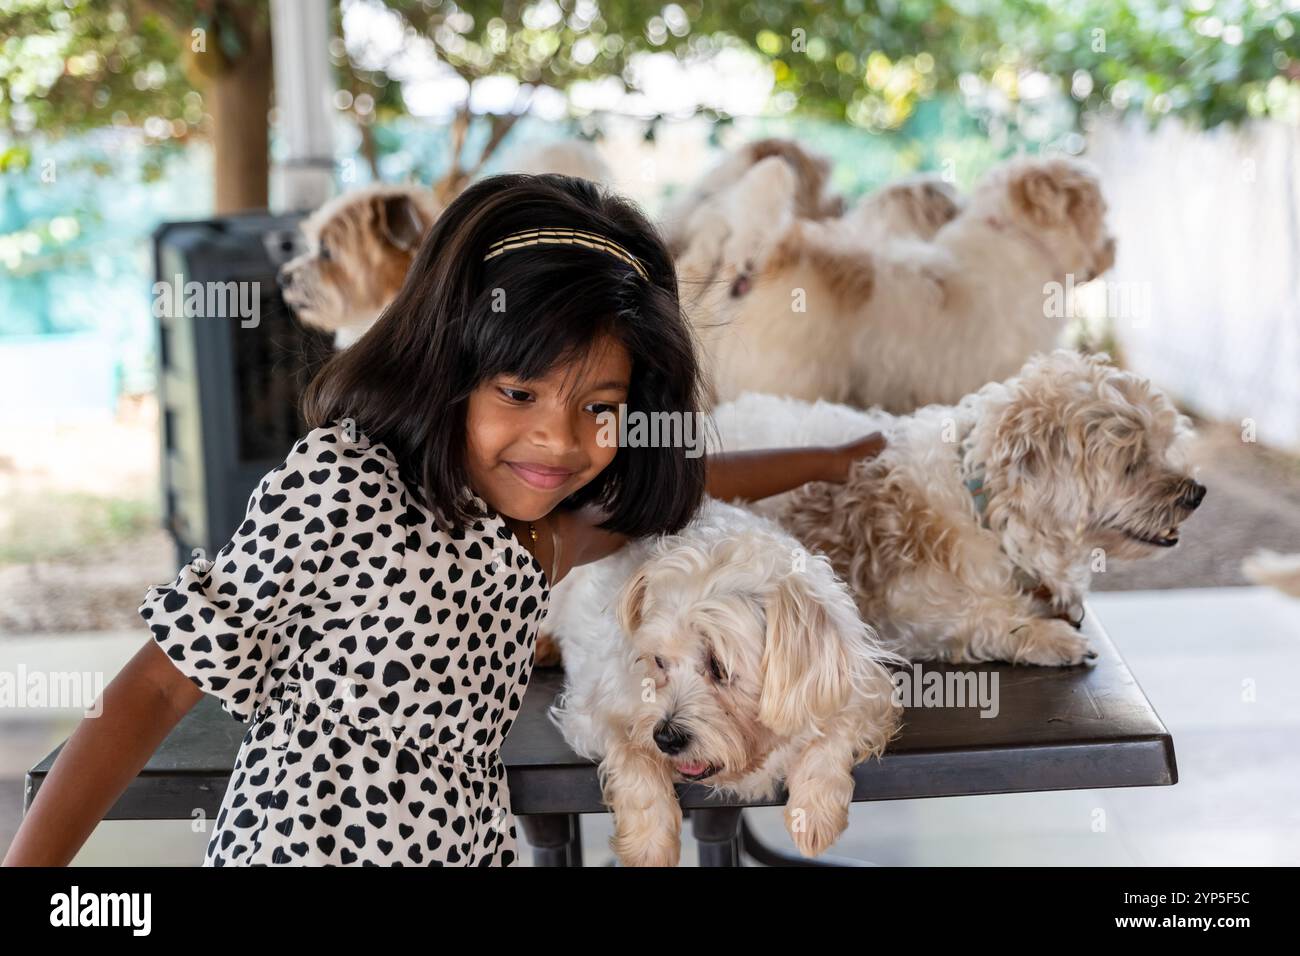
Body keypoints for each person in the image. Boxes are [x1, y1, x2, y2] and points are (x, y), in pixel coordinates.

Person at [3, 173, 885, 867]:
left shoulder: (536, 540)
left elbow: (678, 482)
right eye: (519, 392)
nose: (558, 438)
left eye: (600, 406)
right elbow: (156, 687)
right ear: (446, 364)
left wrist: (831, 457)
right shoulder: (343, 488)